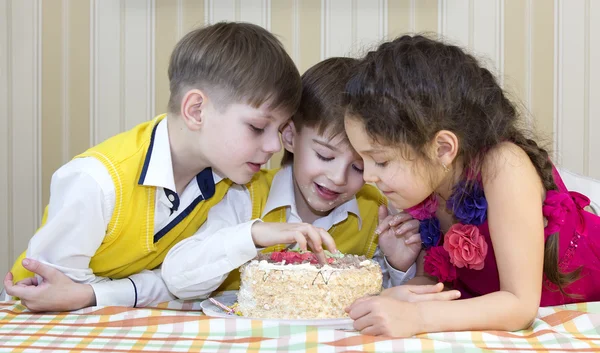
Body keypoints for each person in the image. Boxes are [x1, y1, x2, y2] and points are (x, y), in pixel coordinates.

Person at [2, 22, 305, 311]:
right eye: (257, 127)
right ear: (196, 110)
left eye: (279, 130)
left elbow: (182, 282)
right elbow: (55, 292)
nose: (274, 147)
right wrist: (103, 293)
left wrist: (94, 293)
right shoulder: (96, 181)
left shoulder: (232, 181)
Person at [343, 35, 600, 337]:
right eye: (362, 160)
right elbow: (443, 285)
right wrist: (405, 295)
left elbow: (520, 305)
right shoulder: (422, 185)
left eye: (381, 161)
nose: (369, 176)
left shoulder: (504, 168)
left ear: (441, 149)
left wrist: (418, 317)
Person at [161, 57, 459, 300]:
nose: (338, 178)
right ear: (290, 136)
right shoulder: (244, 194)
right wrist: (254, 235)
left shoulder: (376, 216)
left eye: (358, 167)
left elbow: (384, 309)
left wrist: (397, 265)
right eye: (325, 156)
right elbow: (178, 280)